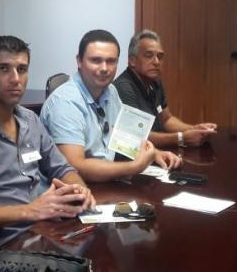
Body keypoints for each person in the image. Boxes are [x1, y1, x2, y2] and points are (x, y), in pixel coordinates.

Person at [0, 36, 96, 249]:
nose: (15, 79)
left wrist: (80, 189)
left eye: (22, 69)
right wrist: (30, 210)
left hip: (46, 227)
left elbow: (62, 168)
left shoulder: (30, 119)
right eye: (4, 69)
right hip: (5, 242)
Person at [40, 29, 182, 182]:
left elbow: (126, 138)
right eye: (96, 60)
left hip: (105, 181)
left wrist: (154, 154)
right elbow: (74, 167)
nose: (104, 68)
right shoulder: (65, 102)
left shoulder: (111, 91)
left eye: (111, 61)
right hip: (77, 188)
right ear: (79, 61)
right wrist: (134, 166)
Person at [114, 29, 217, 148]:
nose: (156, 62)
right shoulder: (123, 88)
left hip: (156, 150)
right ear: (132, 60)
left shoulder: (155, 81)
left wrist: (195, 129)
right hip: (136, 153)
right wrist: (181, 138)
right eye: (148, 55)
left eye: (160, 56)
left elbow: (166, 120)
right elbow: (136, 137)